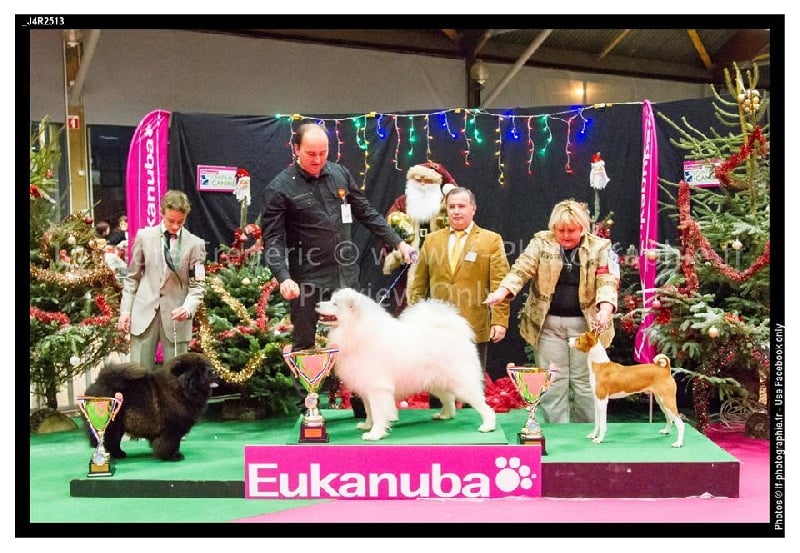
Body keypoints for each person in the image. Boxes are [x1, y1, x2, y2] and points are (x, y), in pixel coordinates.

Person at [261, 122, 416, 413]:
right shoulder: (280, 188)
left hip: (345, 276)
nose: (318, 159)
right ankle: (308, 408)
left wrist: (398, 243)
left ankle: (363, 402)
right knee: (304, 343)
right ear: (296, 149)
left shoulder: (339, 174)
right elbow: (273, 240)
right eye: (311, 153)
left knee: (361, 341)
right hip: (306, 278)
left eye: (323, 152)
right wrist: (283, 277)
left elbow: (366, 212)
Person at [484, 199, 619, 423]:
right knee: (553, 383)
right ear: (553, 228)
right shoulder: (540, 242)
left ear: (582, 228)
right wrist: (502, 291)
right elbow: (521, 269)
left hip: (586, 327)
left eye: (571, 230)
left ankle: (588, 431)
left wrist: (605, 309)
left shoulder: (600, 247)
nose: (565, 236)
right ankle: (557, 433)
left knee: (586, 383)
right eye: (560, 230)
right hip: (548, 327)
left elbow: (607, 280)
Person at [407, 186, 510, 377]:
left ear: (473, 209)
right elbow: (418, 285)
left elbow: (500, 283)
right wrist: (414, 319)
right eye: (451, 206)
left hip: (474, 326)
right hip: (437, 328)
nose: (456, 211)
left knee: (471, 384)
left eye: (461, 206)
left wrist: (499, 321)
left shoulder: (491, 240)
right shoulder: (431, 240)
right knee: (438, 384)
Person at [117, 190, 207, 371]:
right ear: (161, 213)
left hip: (176, 318)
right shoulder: (144, 237)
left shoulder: (196, 244)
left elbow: (198, 285)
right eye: (171, 220)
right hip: (143, 314)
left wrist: (188, 308)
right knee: (137, 375)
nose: (175, 226)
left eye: (180, 222)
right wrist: (125, 311)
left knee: (176, 379)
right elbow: (132, 278)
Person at [382, 162, 457, 314]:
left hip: (442, 264)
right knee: (408, 306)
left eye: (428, 180)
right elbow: (388, 230)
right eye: (418, 179)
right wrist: (399, 251)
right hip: (411, 263)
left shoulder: (448, 204)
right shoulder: (402, 202)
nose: (422, 184)